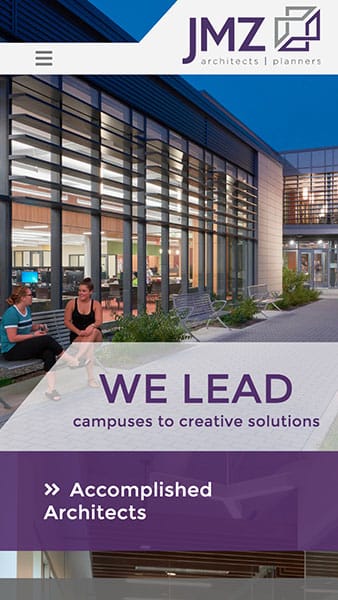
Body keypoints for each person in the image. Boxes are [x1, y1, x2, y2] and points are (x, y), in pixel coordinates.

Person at [0, 285, 82, 401]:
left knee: (48, 352)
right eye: (30, 295)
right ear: (23, 298)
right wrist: (34, 335)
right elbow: (12, 338)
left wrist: (38, 327)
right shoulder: (11, 314)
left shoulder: (27, 310)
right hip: (11, 350)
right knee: (46, 339)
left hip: (23, 346)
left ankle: (51, 390)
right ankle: (70, 360)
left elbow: (26, 328)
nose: (32, 297)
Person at [64, 277, 103, 387]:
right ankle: (91, 379)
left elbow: (99, 321)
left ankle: (76, 358)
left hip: (96, 337)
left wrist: (91, 326)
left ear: (91, 292)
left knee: (94, 331)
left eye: (84, 291)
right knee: (89, 346)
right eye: (79, 290)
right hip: (78, 337)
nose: (81, 293)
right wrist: (78, 331)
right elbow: (67, 322)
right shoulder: (72, 303)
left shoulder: (95, 304)